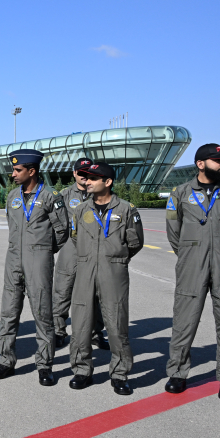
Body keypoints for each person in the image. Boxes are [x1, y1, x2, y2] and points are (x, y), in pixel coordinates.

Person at [165, 143, 220, 401]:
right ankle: (178, 374)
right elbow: (173, 230)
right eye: (218, 160)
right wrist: (191, 251)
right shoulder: (180, 192)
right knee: (184, 320)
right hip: (192, 262)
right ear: (201, 164)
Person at [0, 149, 68, 387]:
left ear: (31, 171)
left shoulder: (51, 197)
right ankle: (6, 360)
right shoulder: (13, 195)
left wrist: (42, 250)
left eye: (17, 170)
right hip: (13, 259)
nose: (13, 174)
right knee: (8, 312)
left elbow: (62, 231)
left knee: (43, 313)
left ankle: (44, 365)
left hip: (38, 260)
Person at [67, 161, 143, 395]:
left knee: (116, 323)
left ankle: (120, 374)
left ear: (107, 182)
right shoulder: (81, 210)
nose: (86, 181)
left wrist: (114, 258)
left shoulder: (127, 209)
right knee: (80, 323)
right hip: (85, 270)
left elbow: (135, 243)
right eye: (86, 178)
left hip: (114, 271)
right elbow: (75, 237)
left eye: (92, 178)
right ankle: (81, 370)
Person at [52, 157, 107, 350]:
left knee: (96, 293)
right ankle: (58, 331)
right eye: (81, 173)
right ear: (74, 174)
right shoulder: (64, 195)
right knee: (62, 290)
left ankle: (95, 333)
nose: (85, 177)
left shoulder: (101, 193)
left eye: (89, 174)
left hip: (96, 250)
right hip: (71, 249)